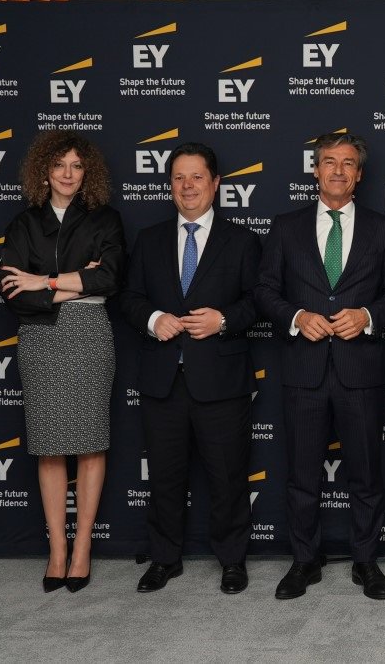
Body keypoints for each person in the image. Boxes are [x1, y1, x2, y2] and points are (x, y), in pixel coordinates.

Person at [255, 132, 385, 601]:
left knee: (365, 475)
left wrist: (367, 316)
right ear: (315, 170)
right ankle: (305, 561)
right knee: (302, 476)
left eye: (347, 163)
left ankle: (366, 562)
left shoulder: (382, 229)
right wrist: (297, 318)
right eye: (329, 162)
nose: (338, 171)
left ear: (359, 174)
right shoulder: (286, 226)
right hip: (304, 371)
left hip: (359, 370)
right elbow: (264, 290)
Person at [120, 142, 262, 595]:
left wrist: (224, 320)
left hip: (221, 380)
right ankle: (164, 559)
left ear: (215, 183)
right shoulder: (149, 239)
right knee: (164, 477)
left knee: (228, 477)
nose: (187, 186)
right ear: (170, 185)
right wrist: (152, 319)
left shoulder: (242, 241)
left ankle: (232, 560)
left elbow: (258, 301)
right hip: (163, 380)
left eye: (197, 177)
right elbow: (129, 297)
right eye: (179, 178)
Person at [0, 130, 124, 594]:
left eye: (77, 166)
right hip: (40, 339)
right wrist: (73, 282)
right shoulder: (24, 223)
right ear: (43, 172)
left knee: (90, 444)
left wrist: (44, 281)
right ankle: (57, 549)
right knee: (49, 447)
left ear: (88, 173)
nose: (68, 174)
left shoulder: (105, 219)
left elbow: (110, 280)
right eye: (59, 165)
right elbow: (12, 291)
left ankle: (82, 547)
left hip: (90, 335)